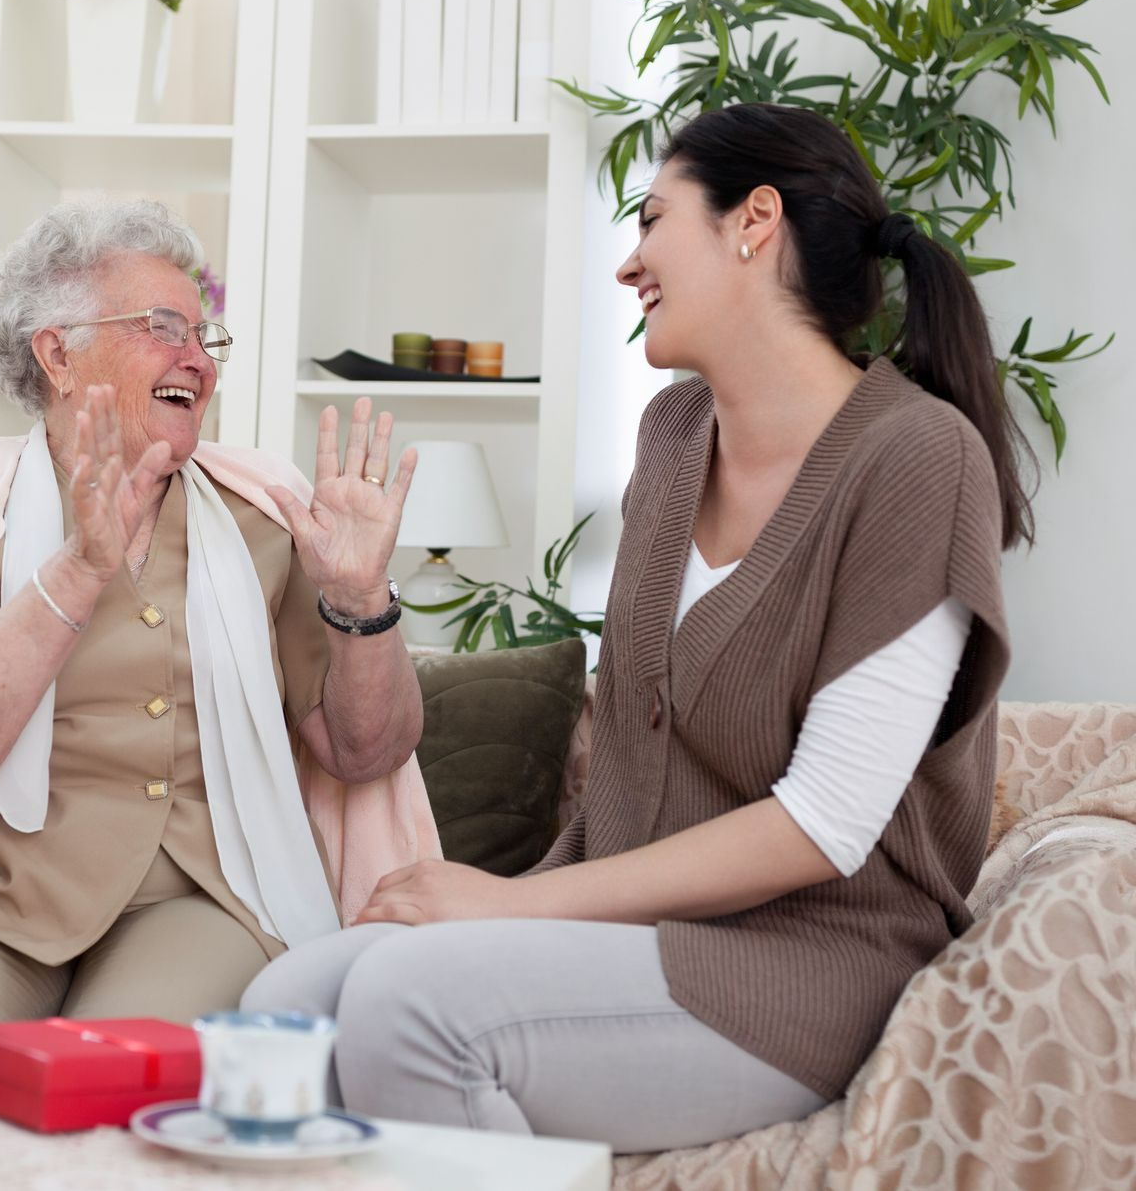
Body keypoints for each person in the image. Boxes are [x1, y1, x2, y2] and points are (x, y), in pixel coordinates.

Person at [242, 102, 1026, 1154]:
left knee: (407, 1008)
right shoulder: (671, 436)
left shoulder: (918, 461)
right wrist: (533, 905)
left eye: (652, 219)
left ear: (753, 222)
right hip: (633, 935)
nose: (629, 262)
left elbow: (825, 822)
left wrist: (511, 909)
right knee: (282, 1002)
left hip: (808, 962)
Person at [0, 198, 441, 1046]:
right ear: (57, 355)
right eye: (163, 327)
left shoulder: (265, 513)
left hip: (195, 896)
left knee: (116, 1076)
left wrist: (363, 597)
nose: (199, 360)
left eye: (205, 338)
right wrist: (79, 570)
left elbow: (366, 751)